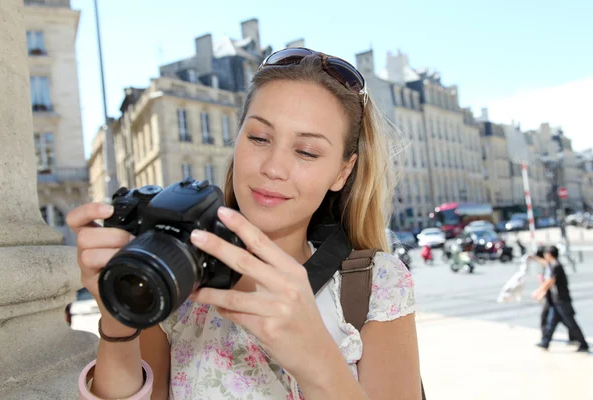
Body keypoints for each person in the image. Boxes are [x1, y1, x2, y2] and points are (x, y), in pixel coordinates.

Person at [68, 48, 422, 399]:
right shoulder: (175, 279)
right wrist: (118, 316)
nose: (273, 167)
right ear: (236, 140)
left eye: (306, 152)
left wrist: (317, 360)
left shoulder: (378, 285)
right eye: (258, 138)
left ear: (342, 172)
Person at [529, 245, 589, 353]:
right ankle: (545, 342)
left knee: (570, 322)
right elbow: (545, 264)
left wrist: (538, 292)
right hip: (556, 300)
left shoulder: (556, 266)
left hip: (562, 300)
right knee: (551, 321)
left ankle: (583, 343)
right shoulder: (552, 264)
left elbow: (550, 281)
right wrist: (535, 258)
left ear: (549, 254)